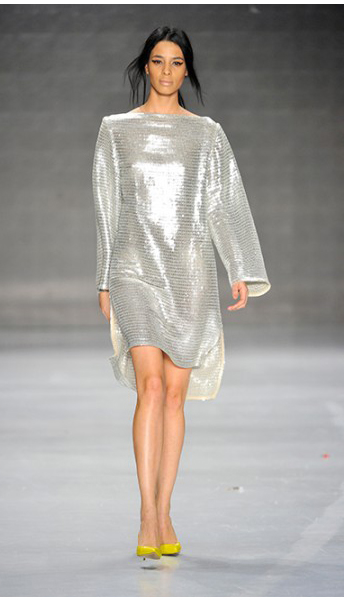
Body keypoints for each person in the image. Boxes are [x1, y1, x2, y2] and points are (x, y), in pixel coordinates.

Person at [92, 26, 271, 561]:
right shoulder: (116, 130)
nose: (166, 71)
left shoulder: (207, 134)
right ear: (145, 66)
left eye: (176, 62)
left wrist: (239, 266)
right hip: (134, 269)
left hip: (190, 271)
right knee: (149, 387)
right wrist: (104, 277)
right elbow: (106, 206)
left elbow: (222, 202)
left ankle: (165, 509)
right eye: (157, 61)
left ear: (186, 69)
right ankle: (146, 513)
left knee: (174, 395)